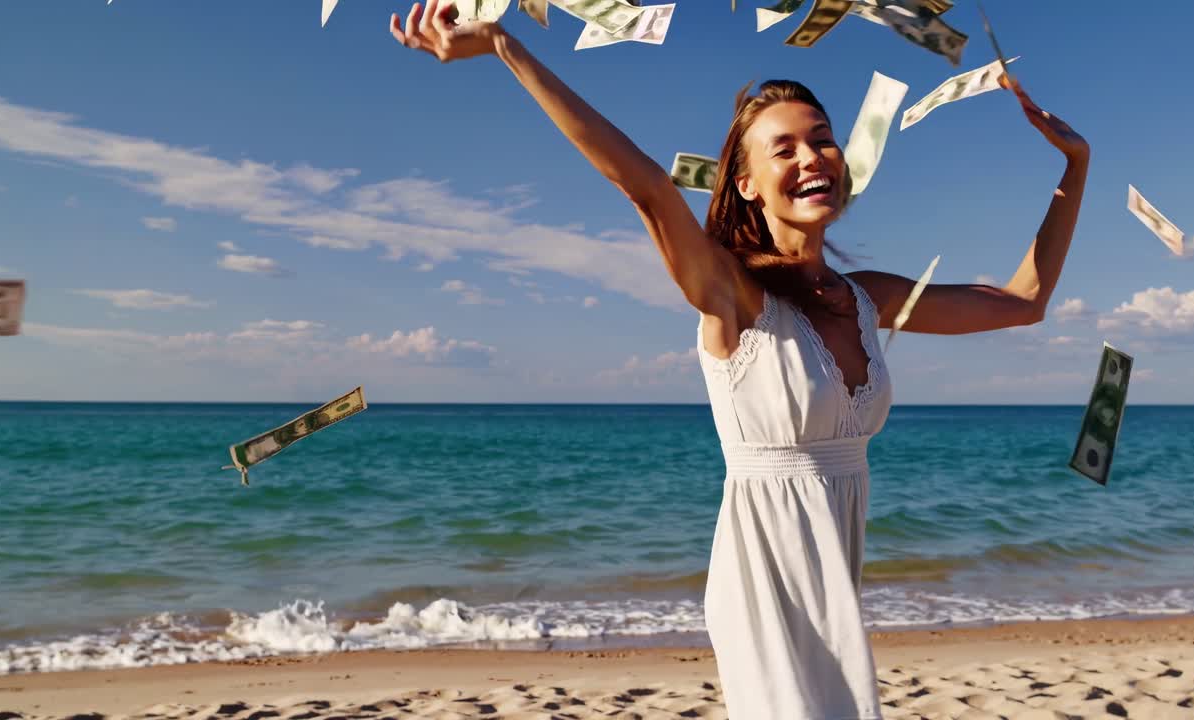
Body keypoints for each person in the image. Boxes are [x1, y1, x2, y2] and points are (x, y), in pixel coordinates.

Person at [389, 4, 1089, 718]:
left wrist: (1076, 166)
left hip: (836, 595)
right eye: (783, 149)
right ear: (747, 183)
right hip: (763, 592)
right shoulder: (732, 295)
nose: (811, 157)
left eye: (821, 140)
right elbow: (646, 186)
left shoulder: (866, 298)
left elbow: (1021, 300)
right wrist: (508, 46)